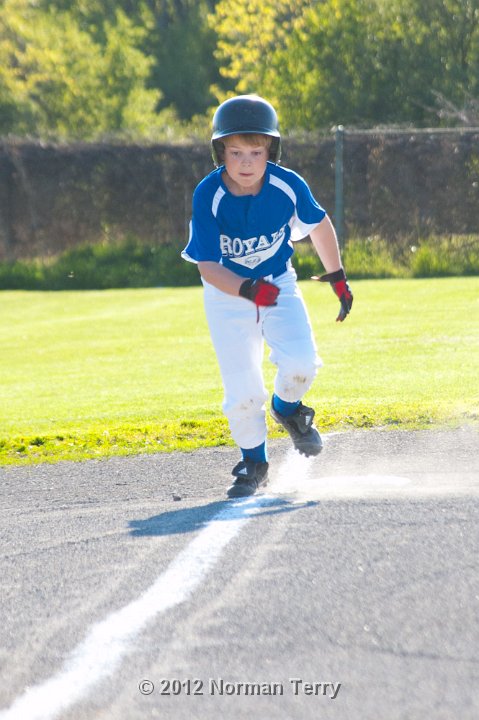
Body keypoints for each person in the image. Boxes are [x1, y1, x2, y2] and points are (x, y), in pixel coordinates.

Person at [182, 95, 353, 499]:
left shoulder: (286, 185)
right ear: (220, 152)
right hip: (228, 294)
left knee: (302, 364)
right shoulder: (208, 195)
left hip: (277, 283)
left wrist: (337, 278)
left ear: (271, 152)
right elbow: (208, 266)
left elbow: (318, 224)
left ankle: (288, 409)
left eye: (256, 152)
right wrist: (246, 289)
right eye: (235, 152)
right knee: (242, 390)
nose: (246, 162)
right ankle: (254, 463)